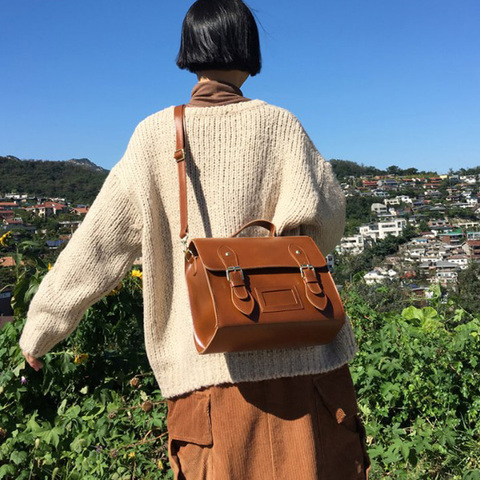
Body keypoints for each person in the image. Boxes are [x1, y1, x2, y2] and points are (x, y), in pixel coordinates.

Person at [19, 0, 370, 478]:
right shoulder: (283, 126)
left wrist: (42, 328)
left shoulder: (154, 136)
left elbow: (97, 246)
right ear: (248, 48)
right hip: (307, 366)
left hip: (207, 379)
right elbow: (327, 224)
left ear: (191, 50)